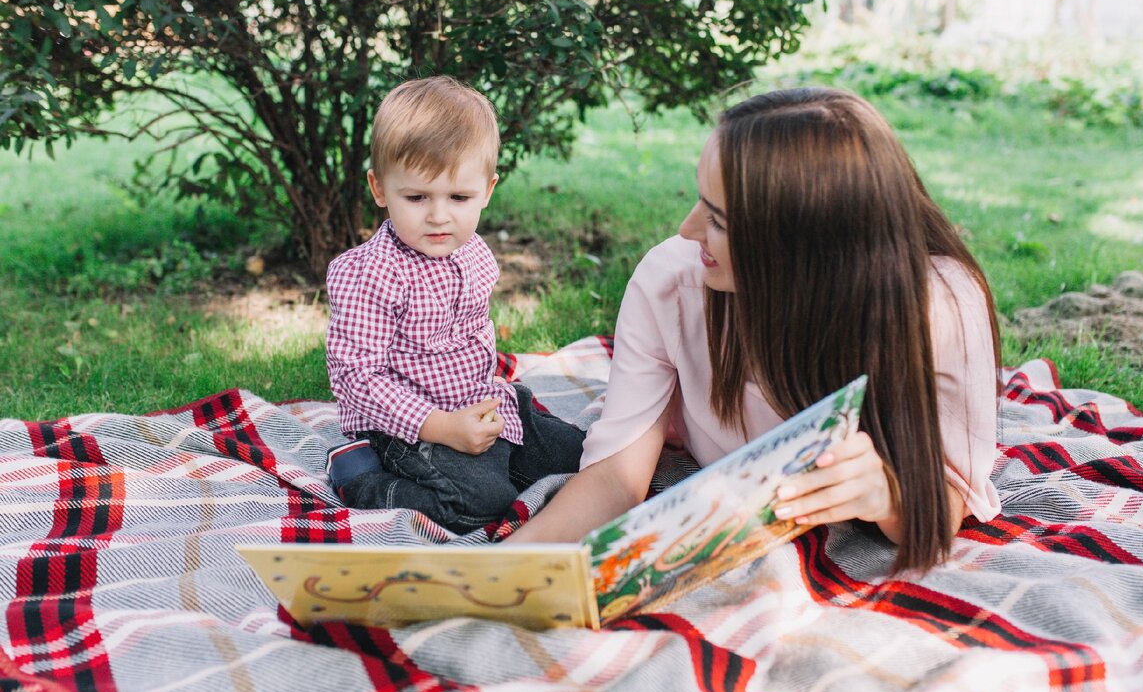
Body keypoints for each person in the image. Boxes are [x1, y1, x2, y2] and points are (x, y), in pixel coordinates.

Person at [507, 87, 1002, 572]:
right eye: (701, 201)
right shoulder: (673, 281)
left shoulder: (938, 306)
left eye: (718, 220)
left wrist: (891, 498)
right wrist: (498, 567)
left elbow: (948, 497)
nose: (687, 228)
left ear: (803, 246)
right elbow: (616, 477)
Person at [324, 76, 585, 534]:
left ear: (487, 190)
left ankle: (503, 459)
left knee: (583, 456)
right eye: (417, 197)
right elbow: (357, 379)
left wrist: (487, 407)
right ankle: (362, 479)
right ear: (380, 188)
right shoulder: (369, 273)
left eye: (459, 198)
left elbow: (470, 340)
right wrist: (441, 427)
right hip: (403, 429)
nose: (439, 216)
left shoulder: (472, 252)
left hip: (478, 403)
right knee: (481, 505)